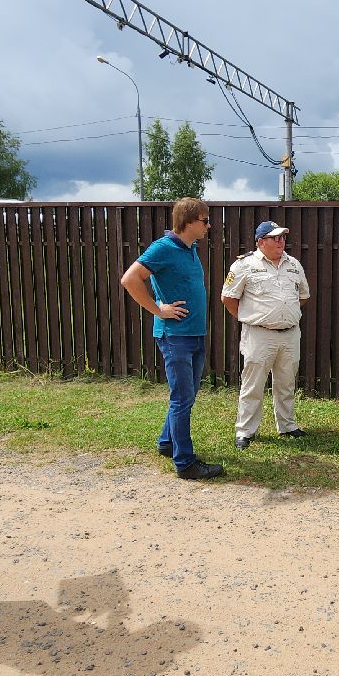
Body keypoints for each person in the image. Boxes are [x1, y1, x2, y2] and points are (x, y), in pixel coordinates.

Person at [120, 197, 224, 480]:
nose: (209, 225)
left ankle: (167, 442)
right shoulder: (163, 248)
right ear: (188, 221)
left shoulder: (189, 248)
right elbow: (130, 279)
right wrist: (158, 309)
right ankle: (185, 463)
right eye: (205, 220)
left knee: (186, 395)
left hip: (194, 333)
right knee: (182, 397)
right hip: (175, 336)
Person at [222, 220, 311, 449]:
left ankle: (287, 425)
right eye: (275, 238)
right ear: (261, 242)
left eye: (282, 237)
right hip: (259, 335)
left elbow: (303, 296)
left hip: (290, 334)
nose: (280, 241)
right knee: (253, 384)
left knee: (286, 382)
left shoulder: (294, 264)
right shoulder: (244, 265)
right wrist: (252, 319)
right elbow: (228, 298)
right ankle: (245, 431)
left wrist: (284, 315)